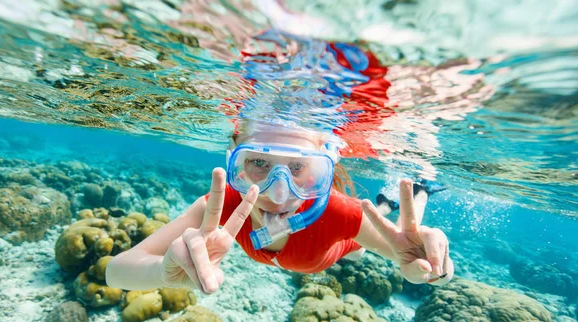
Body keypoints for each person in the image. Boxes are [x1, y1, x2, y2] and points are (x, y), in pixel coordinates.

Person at [106, 121, 454, 293]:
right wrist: (161, 273)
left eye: (299, 168)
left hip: (339, 246)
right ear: (234, 162)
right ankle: (387, 202)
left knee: (375, 245)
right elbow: (115, 271)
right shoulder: (220, 208)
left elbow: (414, 263)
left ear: (323, 168)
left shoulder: (339, 212)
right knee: (375, 226)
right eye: (259, 162)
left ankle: (419, 192)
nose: (278, 194)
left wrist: (432, 270)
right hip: (319, 249)